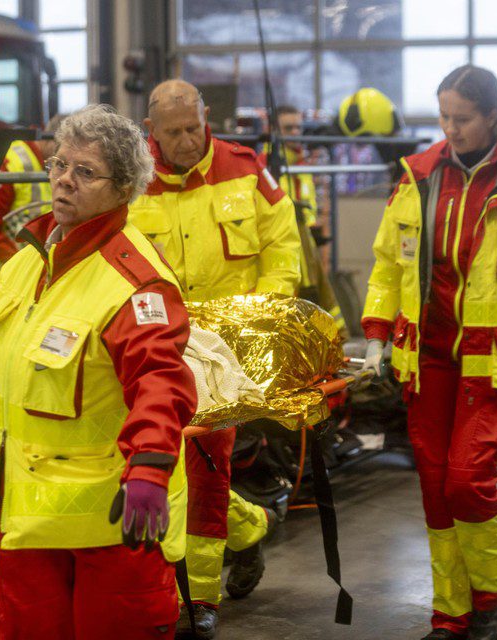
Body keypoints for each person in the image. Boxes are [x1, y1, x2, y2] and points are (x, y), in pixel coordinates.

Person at [361, 65, 497, 640]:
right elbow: (389, 264)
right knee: (435, 487)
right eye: (444, 118)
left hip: (495, 366)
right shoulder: (416, 176)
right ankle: (450, 614)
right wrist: (377, 335)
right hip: (427, 360)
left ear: (492, 116)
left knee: (466, 481)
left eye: (462, 119)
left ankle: (491, 598)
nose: (451, 129)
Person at [0, 105, 197, 639]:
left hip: (110, 527)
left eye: (85, 172)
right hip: (27, 523)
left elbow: (160, 380)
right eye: (59, 165)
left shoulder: (135, 282)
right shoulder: (28, 262)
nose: (64, 180)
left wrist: (149, 467)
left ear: (124, 189)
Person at [129, 79, 300, 639]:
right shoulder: (131, 180)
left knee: (205, 471)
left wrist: (259, 317)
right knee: (160, 462)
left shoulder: (246, 169)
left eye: (193, 126)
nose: (186, 140)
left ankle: (200, 598)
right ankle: (249, 529)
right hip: (155, 347)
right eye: (172, 131)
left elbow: (283, 250)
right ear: (150, 131)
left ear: (206, 116)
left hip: (225, 354)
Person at [260, 105, 346, 334]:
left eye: (299, 126)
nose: (296, 132)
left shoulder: (300, 165)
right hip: (283, 255)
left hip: (307, 249)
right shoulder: (262, 168)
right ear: (273, 129)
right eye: (289, 128)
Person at [0, 136, 53, 284]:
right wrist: (18, 262)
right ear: (50, 139)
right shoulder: (14, 160)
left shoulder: (43, 164)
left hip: (21, 274)